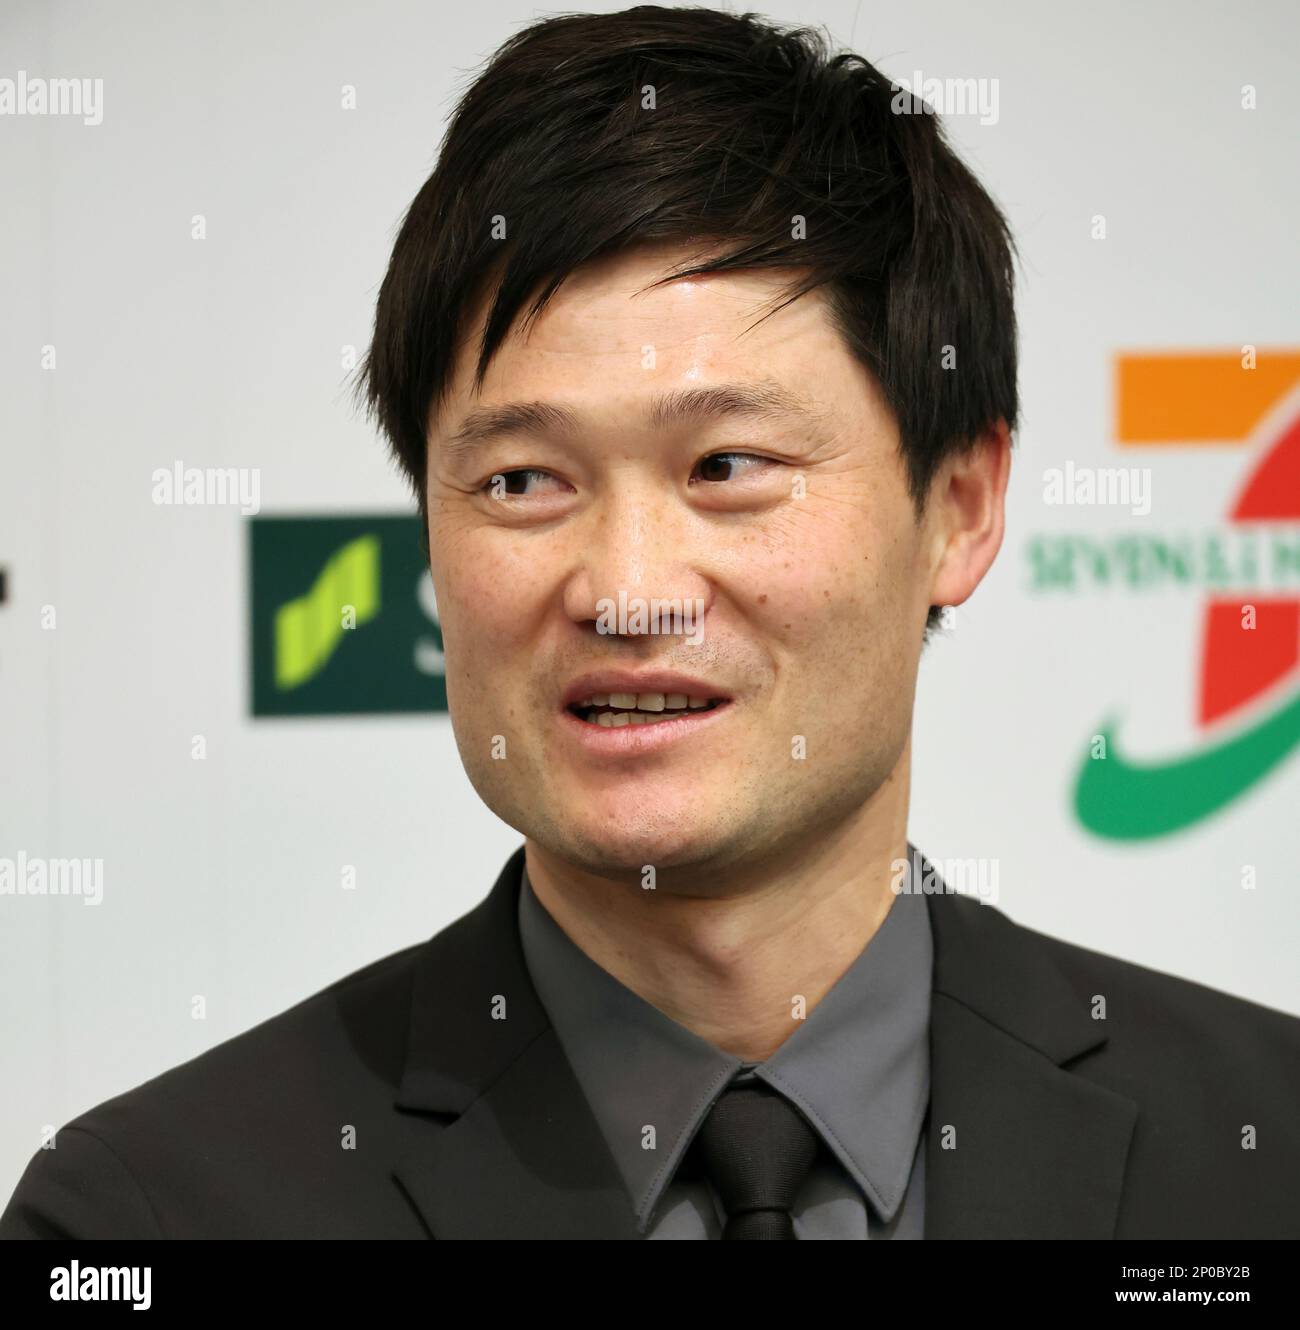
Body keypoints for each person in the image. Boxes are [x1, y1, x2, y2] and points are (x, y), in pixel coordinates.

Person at [3, 5, 1297, 1240]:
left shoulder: (1261, 1150)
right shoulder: (158, 1213)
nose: (625, 589)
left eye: (727, 466)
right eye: (524, 481)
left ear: (959, 506)